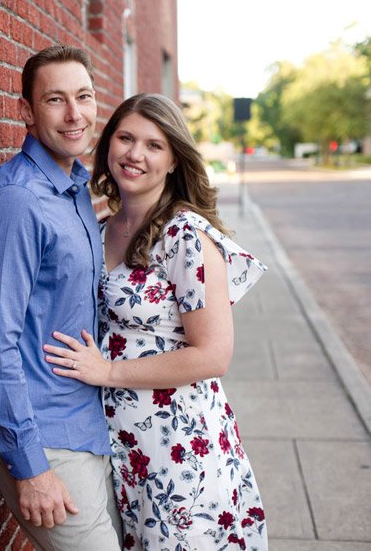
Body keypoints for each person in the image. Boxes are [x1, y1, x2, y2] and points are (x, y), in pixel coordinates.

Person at [43, 93, 269, 550]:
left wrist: (109, 372)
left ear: (172, 161)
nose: (135, 154)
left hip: (181, 445)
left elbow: (213, 354)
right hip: (125, 442)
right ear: (108, 144)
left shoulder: (184, 235)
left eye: (153, 145)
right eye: (126, 138)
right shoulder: (101, 224)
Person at [0, 45, 122, 550]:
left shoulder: (74, 187)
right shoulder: (18, 199)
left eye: (84, 96)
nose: (74, 113)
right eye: (55, 99)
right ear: (26, 112)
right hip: (45, 437)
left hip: (87, 423)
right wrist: (30, 467)